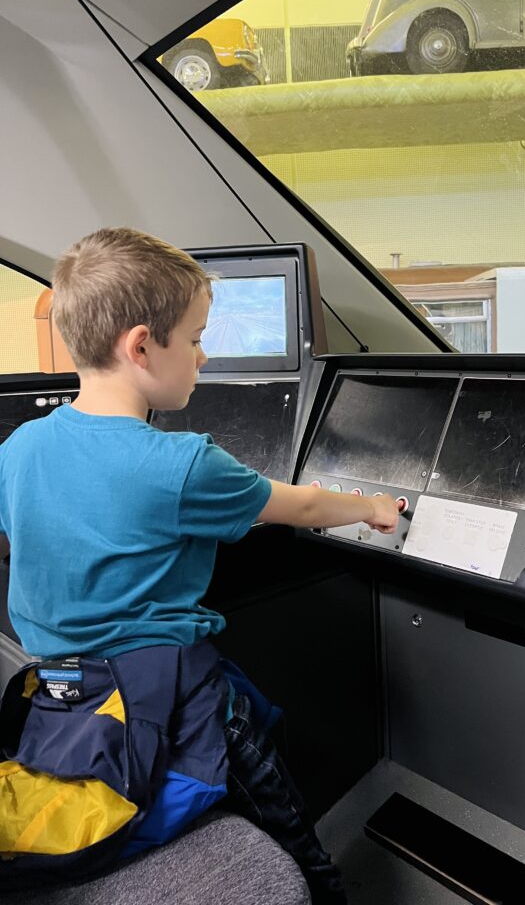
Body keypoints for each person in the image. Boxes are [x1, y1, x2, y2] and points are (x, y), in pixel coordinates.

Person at [0, 227, 399, 901]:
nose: (204, 356)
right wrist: (374, 507)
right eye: (194, 337)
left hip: (65, 701)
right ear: (141, 346)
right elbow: (300, 507)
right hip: (173, 703)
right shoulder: (183, 465)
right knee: (287, 821)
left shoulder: (19, 448)